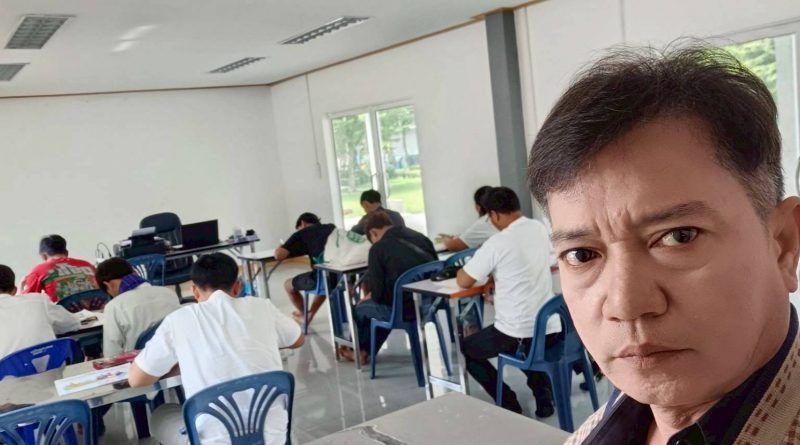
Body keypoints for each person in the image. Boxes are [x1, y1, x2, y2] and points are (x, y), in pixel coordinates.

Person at [528, 44, 800, 444]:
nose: (625, 305)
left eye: (678, 236)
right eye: (582, 254)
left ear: (783, 243)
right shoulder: (602, 428)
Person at [129, 253, 303, 445]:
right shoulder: (262, 307)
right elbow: (297, 339)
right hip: (274, 439)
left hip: (213, 441)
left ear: (194, 292)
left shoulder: (178, 320)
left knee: (161, 414)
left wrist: (182, 362)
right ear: (237, 286)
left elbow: (137, 379)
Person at [455, 187, 555, 417]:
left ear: (494, 214)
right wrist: (496, 275)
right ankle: (544, 397)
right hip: (549, 326)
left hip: (517, 331)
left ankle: (508, 401)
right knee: (526, 341)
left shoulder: (498, 242)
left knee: (468, 349)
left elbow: (464, 281)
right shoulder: (538, 228)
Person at [339, 212, 437, 365]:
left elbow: (379, 296)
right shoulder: (420, 237)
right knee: (384, 306)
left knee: (361, 309)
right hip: (430, 304)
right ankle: (365, 351)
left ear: (373, 232)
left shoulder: (378, 249)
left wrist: (369, 296)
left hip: (405, 310)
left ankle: (359, 352)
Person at [95, 257, 180, 357]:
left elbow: (112, 353)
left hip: (141, 360)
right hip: (176, 355)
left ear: (108, 285)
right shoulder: (168, 293)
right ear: (134, 273)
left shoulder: (114, 306)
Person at [0, 264, 80, 358]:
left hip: (7, 367)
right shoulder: (38, 300)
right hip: (52, 365)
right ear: (14, 290)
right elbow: (73, 324)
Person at [275, 212, 336, 325]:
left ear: (302, 223)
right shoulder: (331, 227)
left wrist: (280, 245)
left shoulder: (301, 233)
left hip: (323, 278)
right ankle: (310, 313)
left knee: (288, 285)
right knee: (325, 278)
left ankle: (304, 314)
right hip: (340, 276)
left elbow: (279, 255)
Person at [22, 234, 98, 303]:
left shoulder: (38, 270)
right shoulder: (88, 265)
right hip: (96, 310)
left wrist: (21, 287)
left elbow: (28, 303)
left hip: (62, 313)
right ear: (66, 253)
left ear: (43, 256)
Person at [439, 185, 498, 252]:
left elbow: (454, 246)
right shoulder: (501, 217)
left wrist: (443, 238)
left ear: (477, 207)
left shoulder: (484, 222)